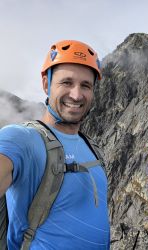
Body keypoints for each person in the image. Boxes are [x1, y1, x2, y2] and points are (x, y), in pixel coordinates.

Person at [0, 40, 110, 249]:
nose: (77, 95)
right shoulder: (21, 139)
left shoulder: (92, 148)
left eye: (85, 85)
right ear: (46, 84)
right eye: (66, 82)